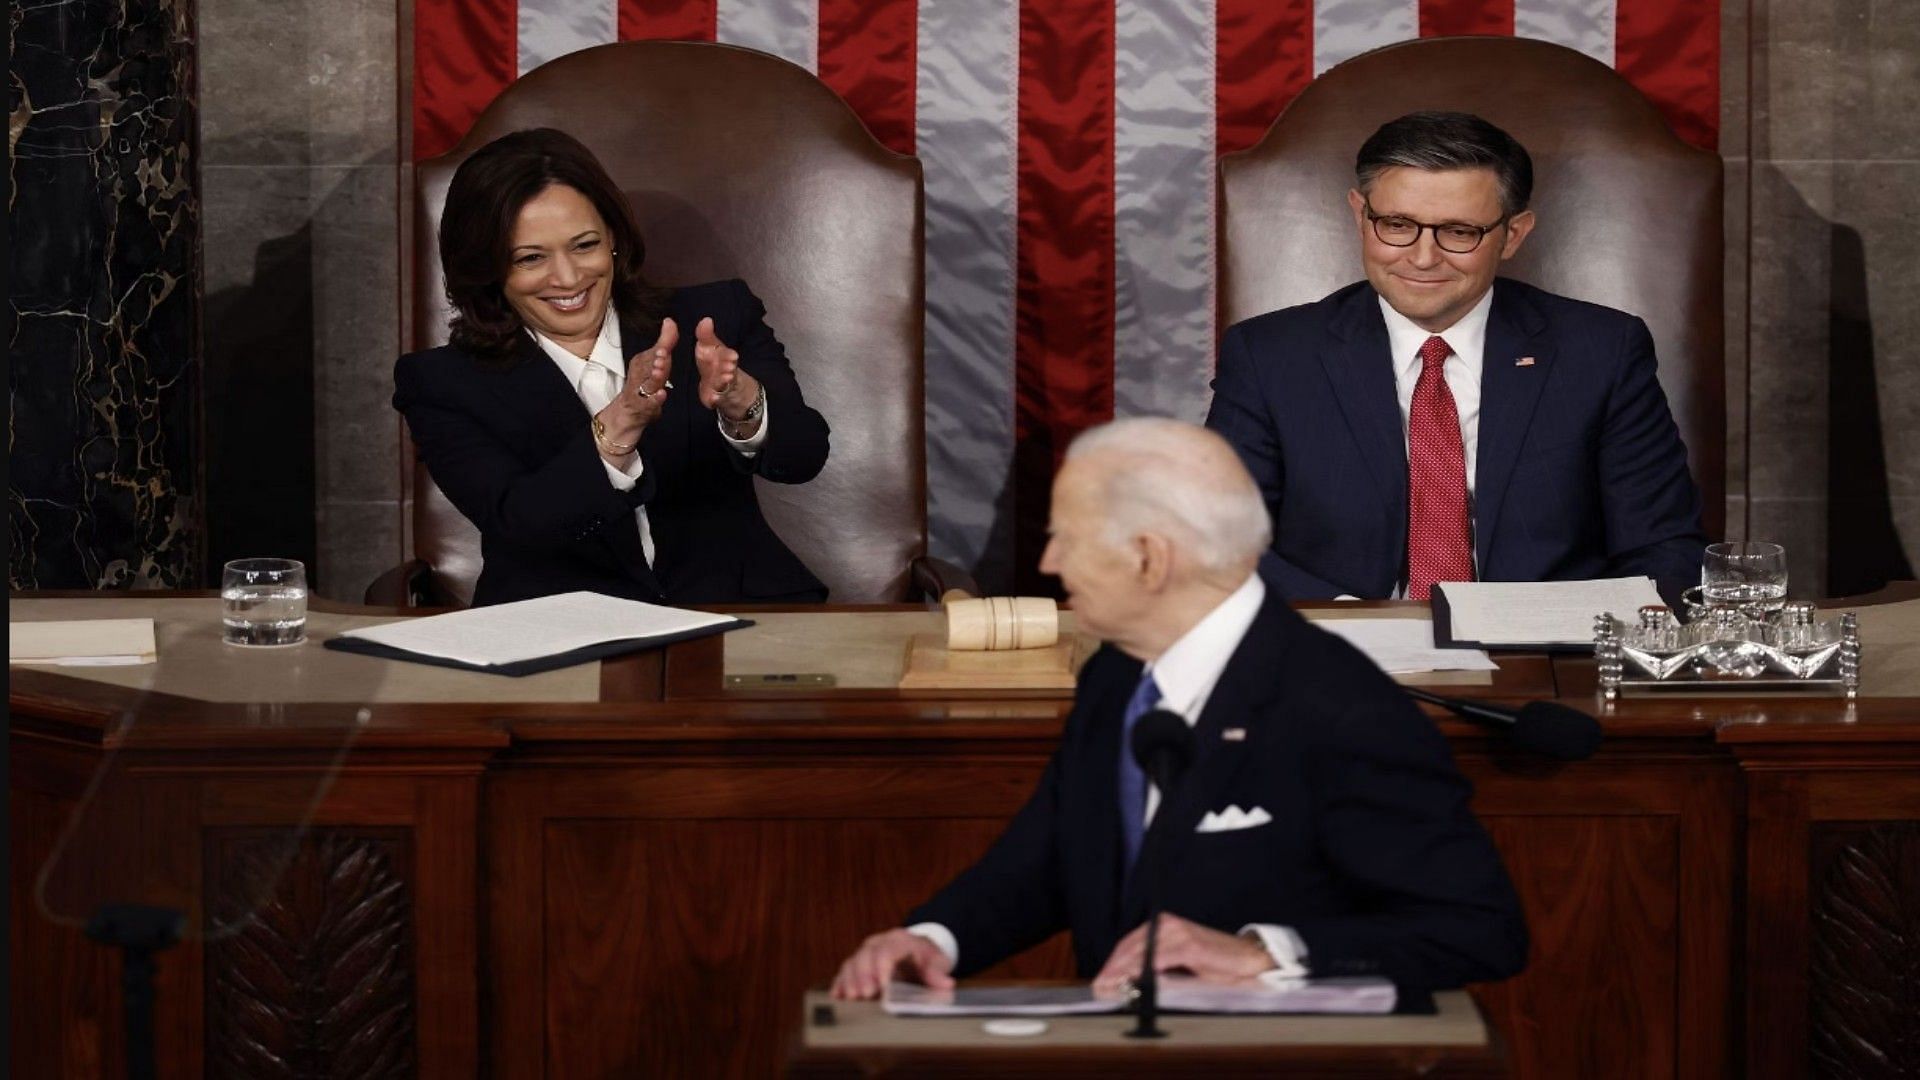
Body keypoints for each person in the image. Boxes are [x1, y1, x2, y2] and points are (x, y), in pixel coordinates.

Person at [831, 418, 1526, 1001]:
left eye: (1066, 538)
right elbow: (1051, 855)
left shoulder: (1339, 707)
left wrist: (1264, 952)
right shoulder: (1115, 674)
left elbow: (1478, 926)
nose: (1048, 562)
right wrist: (931, 939)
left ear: (1148, 559)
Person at [1206, 111, 1704, 604]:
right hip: (1336, 654)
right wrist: (1352, 627)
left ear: (1513, 235)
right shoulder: (1269, 356)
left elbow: (1662, 547)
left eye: (1460, 232)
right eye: (1397, 225)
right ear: (1360, 215)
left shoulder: (1602, 351)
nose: (1423, 257)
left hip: (1549, 662)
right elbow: (1218, 540)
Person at [393, 128, 830, 606]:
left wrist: (743, 403)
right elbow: (523, 524)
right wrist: (623, 420)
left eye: (584, 246)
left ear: (614, 239)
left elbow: (803, 457)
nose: (568, 277)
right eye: (531, 258)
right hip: (558, 635)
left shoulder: (713, 317)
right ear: (490, 271)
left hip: (737, 614)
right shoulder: (442, 383)